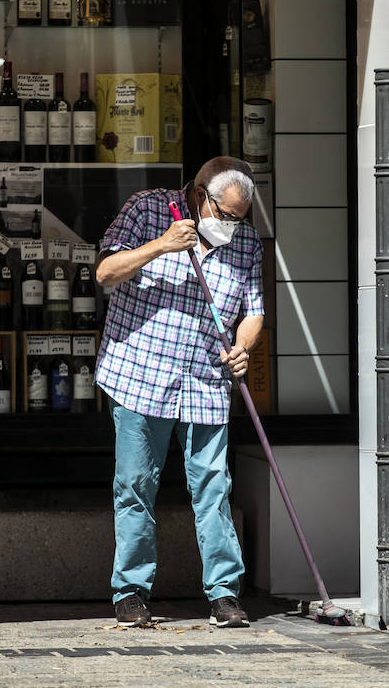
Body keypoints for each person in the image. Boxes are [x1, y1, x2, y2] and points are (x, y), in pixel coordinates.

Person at [95, 156, 264, 628]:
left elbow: (253, 310)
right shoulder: (148, 209)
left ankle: (225, 594)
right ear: (199, 194)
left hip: (207, 379)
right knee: (135, 486)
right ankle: (130, 593)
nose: (231, 225)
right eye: (224, 214)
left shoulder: (246, 242)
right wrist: (160, 246)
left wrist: (244, 347)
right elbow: (106, 272)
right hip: (139, 375)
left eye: (239, 218)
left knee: (214, 488)